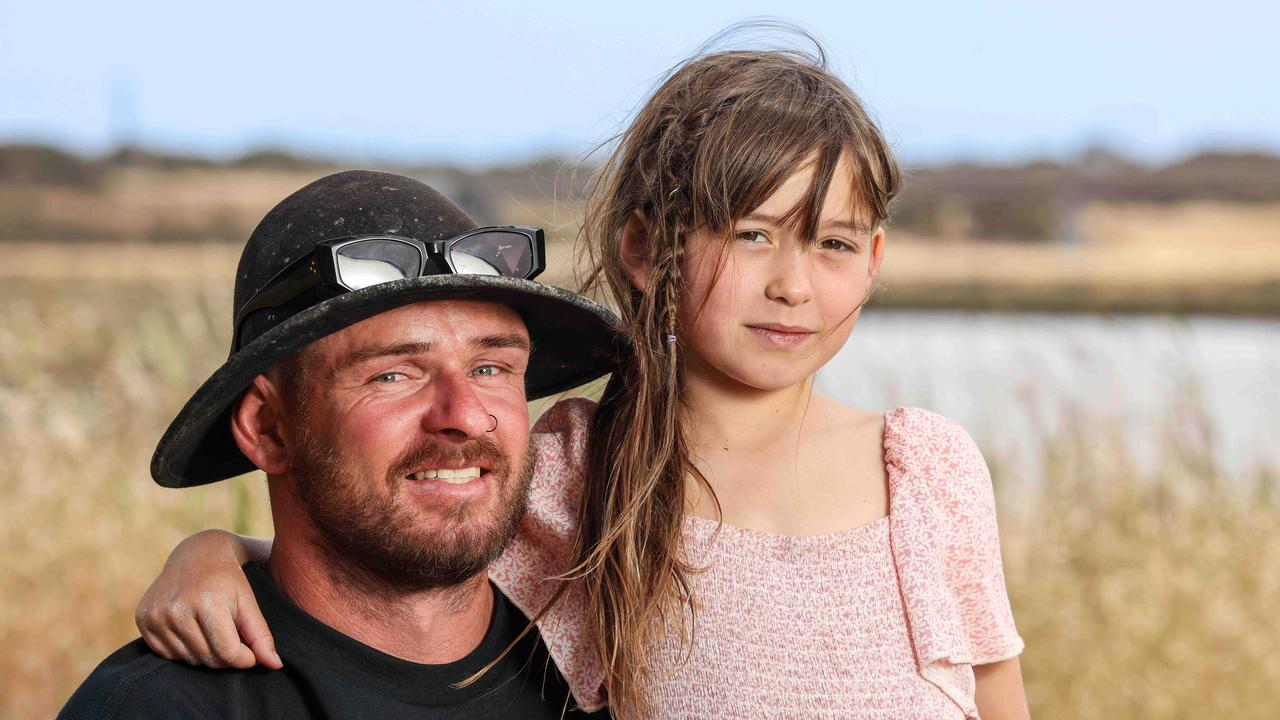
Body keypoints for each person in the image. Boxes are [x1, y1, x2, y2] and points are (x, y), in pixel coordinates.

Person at [134, 35, 1031, 720]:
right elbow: (389, 554)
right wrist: (213, 554)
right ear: (646, 247)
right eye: (752, 233)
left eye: (832, 243)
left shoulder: (924, 471)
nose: (794, 284)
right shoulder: (576, 470)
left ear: (873, 259)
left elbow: (998, 697)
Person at [59, 170, 618, 719]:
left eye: (491, 367)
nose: (467, 417)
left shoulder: (608, 669)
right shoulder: (159, 709)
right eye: (393, 375)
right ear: (268, 428)